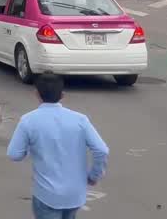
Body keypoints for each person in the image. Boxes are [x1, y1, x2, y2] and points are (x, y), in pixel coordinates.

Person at [7, 73, 108, 219]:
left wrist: (30, 148)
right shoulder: (80, 120)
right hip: (75, 194)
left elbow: (14, 154)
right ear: (62, 95)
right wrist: (94, 175)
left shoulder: (28, 121)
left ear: (37, 94)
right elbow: (101, 150)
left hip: (46, 194)